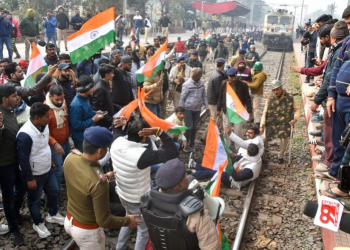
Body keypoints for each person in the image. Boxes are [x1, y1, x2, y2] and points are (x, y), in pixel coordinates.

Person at [64, 126, 140, 249]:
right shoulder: (99, 184)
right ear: (100, 151)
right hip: (87, 231)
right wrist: (127, 221)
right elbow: (104, 221)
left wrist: (104, 176)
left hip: (69, 220)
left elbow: (82, 177)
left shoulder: (70, 158)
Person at [111, 119, 179, 250]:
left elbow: (116, 127)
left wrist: (124, 121)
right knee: (143, 231)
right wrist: (160, 132)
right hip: (137, 199)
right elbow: (173, 152)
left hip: (123, 193)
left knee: (128, 218)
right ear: (144, 136)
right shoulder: (142, 156)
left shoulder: (116, 143)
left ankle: (119, 247)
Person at [140, 158, 221, 250]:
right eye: (186, 176)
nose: (188, 177)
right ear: (180, 186)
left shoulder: (146, 203)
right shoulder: (195, 212)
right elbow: (211, 247)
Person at [17, 102, 65, 238]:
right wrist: (29, 179)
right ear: (36, 118)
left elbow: (43, 146)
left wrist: (49, 161)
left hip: (47, 169)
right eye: (46, 117)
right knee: (34, 200)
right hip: (35, 175)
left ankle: (53, 213)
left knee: (54, 191)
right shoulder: (25, 135)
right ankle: (37, 222)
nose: (48, 118)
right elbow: (23, 159)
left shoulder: (43, 126)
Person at [320, 5, 350, 198]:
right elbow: (336, 68)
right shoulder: (347, 43)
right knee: (341, 138)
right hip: (339, 100)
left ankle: (344, 186)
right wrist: (331, 94)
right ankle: (335, 174)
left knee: (348, 144)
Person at [0, 84, 26, 245]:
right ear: (4, 99)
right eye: (14, 96)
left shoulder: (10, 111)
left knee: (21, 189)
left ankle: (15, 214)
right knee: (8, 196)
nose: (17, 98)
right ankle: (13, 227)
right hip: (4, 165)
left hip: (15, 160)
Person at [260, 80, 300, 164]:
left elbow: (296, 110)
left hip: (284, 123)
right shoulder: (270, 98)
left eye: (277, 89)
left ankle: (280, 156)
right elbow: (265, 111)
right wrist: (262, 124)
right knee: (264, 137)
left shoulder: (290, 98)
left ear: (281, 88)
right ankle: (259, 153)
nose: (275, 92)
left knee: (284, 139)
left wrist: (295, 119)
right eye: (273, 90)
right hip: (272, 122)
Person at [195, 143, 262, 190]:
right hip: (236, 173)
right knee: (219, 165)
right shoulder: (256, 157)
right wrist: (234, 156)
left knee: (219, 172)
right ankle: (197, 167)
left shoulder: (250, 169)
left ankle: (196, 174)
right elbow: (244, 158)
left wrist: (231, 167)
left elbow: (237, 178)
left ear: (248, 152)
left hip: (234, 182)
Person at [44, 85, 70, 202]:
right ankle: (55, 197)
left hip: (65, 141)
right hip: (54, 145)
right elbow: (43, 131)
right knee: (58, 171)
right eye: (57, 100)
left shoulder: (63, 103)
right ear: (50, 97)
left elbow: (66, 121)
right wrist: (54, 143)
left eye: (61, 98)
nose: (60, 102)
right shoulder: (45, 109)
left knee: (67, 165)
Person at [69, 75, 104, 151]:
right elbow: (76, 125)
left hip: (89, 134)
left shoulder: (85, 98)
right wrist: (93, 120)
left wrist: (95, 112)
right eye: (91, 87)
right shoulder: (76, 105)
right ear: (86, 88)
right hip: (82, 139)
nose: (93, 89)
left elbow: (86, 113)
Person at [217, 68, 252, 143]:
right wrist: (218, 109)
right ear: (228, 77)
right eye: (230, 77)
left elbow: (247, 99)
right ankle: (228, 146)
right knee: (227, 128)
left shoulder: (243, 85)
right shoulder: (224, 83)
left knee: (238, 130)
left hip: (238, 111)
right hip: (227, 110)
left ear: (236, 76)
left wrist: (249, 111)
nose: (232, 79)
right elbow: (221, 97)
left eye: (234, 77)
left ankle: (238, 146)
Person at [180, 68, 208, 152]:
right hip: (188, 108)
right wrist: (181, 110)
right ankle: (184, 144)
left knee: (194, 128)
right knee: (189, 127)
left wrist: (207, 106)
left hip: (197, 108)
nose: (199, 77)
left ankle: (192, 144)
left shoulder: (201, 83)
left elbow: (204, 95)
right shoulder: (187, 85)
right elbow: (182, 97)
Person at [92, 64, 115, 128]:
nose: (113, 75)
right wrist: (110, 119)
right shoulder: (100, 88)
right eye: (112, 73)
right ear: (106, 75)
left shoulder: (106, 84)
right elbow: (98, 108)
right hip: (104, 123)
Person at [206, 57, 227, 124]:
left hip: (212, 100)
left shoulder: (215, 72)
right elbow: (219, 92)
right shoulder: (218, 76)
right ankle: (211, 134)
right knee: (214, 120)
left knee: (214, 119)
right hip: (214, 101)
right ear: (223, 65)